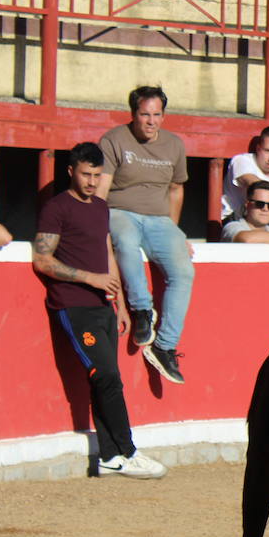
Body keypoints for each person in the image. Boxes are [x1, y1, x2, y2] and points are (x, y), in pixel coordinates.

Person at [32, 142, 167, 480]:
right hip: (73, 305)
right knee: (106, 376)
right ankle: (129, 451)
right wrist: (90, 278)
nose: (92, 182)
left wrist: (118, 304)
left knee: (106, 380)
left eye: (96, 175)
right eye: (85, 175)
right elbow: (42, 259)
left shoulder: (100, 208)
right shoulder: (56, 208)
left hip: (103, 306)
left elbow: (107, 253)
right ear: (71, 172)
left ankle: (109, 457)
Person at [97, 85, 192, 387]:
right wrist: (94, 222)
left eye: (157, 115)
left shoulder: (174, 145)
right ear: (133, 114)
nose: (151, 121)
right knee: (125, 242)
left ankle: (165, 346)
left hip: (159, 219)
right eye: (145, 115)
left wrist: (174, 229)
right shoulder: (113, 139)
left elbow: (176, 189)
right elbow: (102, 189)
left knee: (184, 272)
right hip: (120, 211)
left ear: (163, 115)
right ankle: (141, 310)